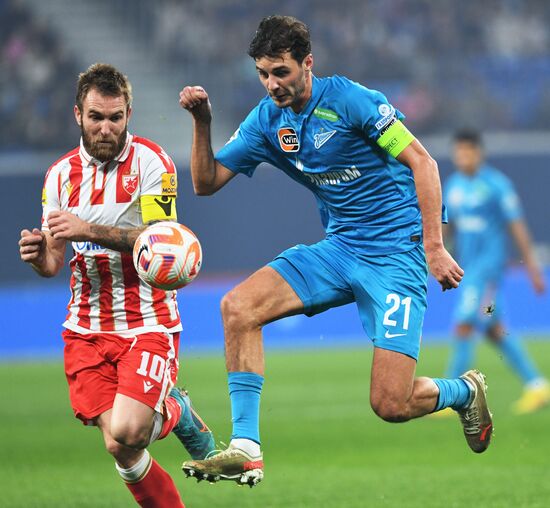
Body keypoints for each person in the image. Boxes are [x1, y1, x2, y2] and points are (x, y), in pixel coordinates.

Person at [178, 16, 493, 487]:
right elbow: (204, 183)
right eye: (263, 74)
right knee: (238, 307)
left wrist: (434, 247)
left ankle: (464, 391)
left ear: (308, 63)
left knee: (391, 404)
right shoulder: (267, 121)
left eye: (281, 72)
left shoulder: (351, 101)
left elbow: (422, 163)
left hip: (395, 256)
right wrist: (202, 123)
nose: (272, 85)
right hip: (341, 248)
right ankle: (245, 448)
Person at [19, 63, 215, 508]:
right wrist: (38, 256)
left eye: (115, 117)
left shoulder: (153, 163)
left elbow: (162, 241)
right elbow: (54, 262)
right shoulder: (58, 177)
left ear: (129, 113)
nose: (106, 128)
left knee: (129, 431)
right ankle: (173, 412)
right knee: (121, 449)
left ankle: (175, 408)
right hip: (85, 326)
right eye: (96, 117)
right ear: (78, 115)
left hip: (147, 319)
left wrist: (86, 229)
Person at [440, 129, 549, 415]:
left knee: (465, 324)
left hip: (487, 275)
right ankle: (537, 385)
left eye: (468, 151)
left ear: (479, 152)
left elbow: (517, 226)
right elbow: (448, 228)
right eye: (459, 151)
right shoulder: (454, 186)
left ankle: (451, 396)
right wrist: (436, 252)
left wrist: (533, 268)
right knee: (492, 326)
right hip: (470, 273)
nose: (463, 157)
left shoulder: (497, 185)